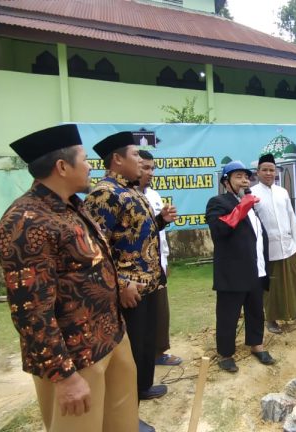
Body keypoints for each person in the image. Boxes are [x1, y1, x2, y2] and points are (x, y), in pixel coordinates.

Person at [0, 124, 147, 432]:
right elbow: (30, 311)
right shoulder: (26, 222)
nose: (92, 165)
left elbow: (87, 265)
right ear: (62, 167)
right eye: (85, 158)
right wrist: (63, 375)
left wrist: (119, 284)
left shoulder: (73, 207)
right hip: (75, 357)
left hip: (110, 335)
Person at [84, 132, 177, 401]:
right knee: (131, 347)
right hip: (128, 289)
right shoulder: (104, 195)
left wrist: (160, 221)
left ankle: (143, 386)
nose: (140, 161)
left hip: (148, 283)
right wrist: (122, 284)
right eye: (135, 155)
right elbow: (96, 249)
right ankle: (128, 402)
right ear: (116, 159)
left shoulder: (132, 191)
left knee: (146, 341)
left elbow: (134, 235)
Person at [205, 160, 275, 373]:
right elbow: (219, 231)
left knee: (255, 310)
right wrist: (241, 207)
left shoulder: (250, 204)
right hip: (233, 271)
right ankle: (225, 353)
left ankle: (257, 345)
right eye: (238, 176)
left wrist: (246, 205)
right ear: (226, 181)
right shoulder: (218, 202)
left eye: (246, 176)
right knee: (228, 314)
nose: (244, 180)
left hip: (256, 269)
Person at [251, 153, 296, 334]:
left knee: (294, 281)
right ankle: (271, 318)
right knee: (271, 285)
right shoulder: (252, 194)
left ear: (276, 172)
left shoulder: (283, 192)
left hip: (288, 246)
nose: (269, 173)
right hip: (267, 249)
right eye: (265, 170)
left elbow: (291, 217)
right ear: (257, 172)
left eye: (272, 170)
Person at [137, 150, 182, 367]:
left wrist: (165, 259)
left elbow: (156, 230)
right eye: (145, 167)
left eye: (152, 168)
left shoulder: (153, 195)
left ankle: (158, 352)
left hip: (158, 263)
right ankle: (143, 357)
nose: (150, 172)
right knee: (141, 316)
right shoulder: (126, 197)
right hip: (136, 271)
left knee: (160, 312)